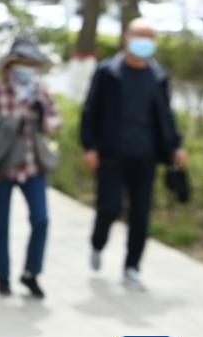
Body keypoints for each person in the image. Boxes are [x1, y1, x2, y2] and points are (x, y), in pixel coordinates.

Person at [80, 18, 187, 290]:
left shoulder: (157, 75)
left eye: (150, 37)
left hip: (146, 155)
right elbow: (91, 111)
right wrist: (90, 146)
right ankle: (97, 242)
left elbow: (166, 114)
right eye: (140, 36)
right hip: (112, 155)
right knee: (110, 207)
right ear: (126, 38)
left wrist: (175, 146)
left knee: (141, 214)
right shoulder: (108, 72)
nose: (144, 42)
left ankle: (132, 267)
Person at [0, 36, 60, 298]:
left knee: (41, 221)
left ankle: (31, 273)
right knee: (1, 223)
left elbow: (55, 121)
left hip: (32, 166)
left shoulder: (40, 92)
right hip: (1, 167)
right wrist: (2, 128)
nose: (26, 68)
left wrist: (43, 118)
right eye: (22, 63)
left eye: (31, 63)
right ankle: (2, 276)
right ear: (10, 65)